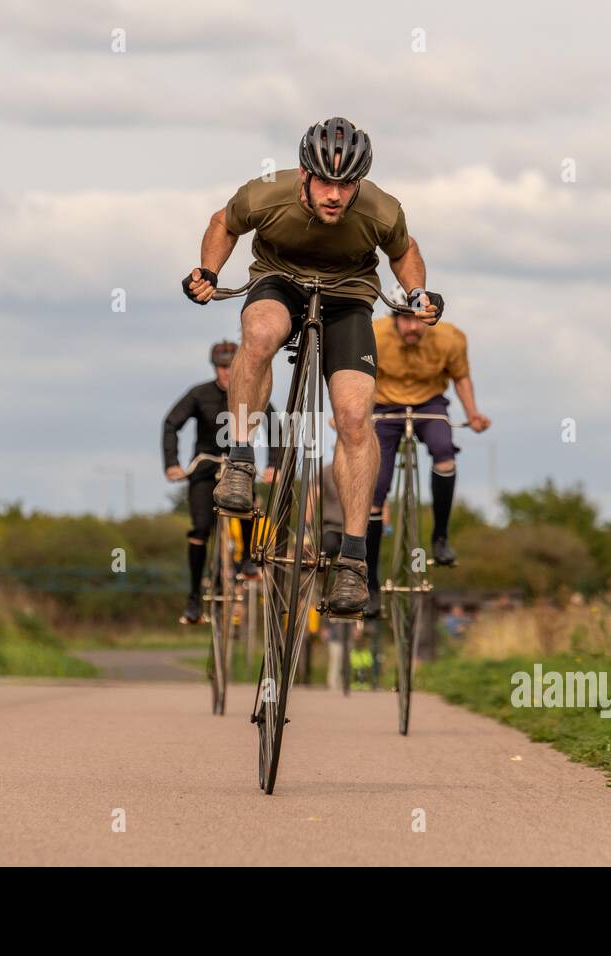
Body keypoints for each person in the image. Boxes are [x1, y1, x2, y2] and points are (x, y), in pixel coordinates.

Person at [182, 116, 445, 615]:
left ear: (359, 183)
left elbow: (404, 251)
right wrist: (208, 271)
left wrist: (416, 294)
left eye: (346, 185)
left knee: (352, 416)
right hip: (278, 280)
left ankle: (351, 561)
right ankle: (240, 460)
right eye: (324, 181)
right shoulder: (267, 194)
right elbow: (224, 223)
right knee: (259, 334)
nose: (334, 195)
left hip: (349, 297)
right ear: (304, 174)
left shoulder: (381, 209)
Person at [366, 310, 490, 613]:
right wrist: (352, 416)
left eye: (418, 320)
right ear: (394, 318)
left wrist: (472, 413)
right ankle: (368, 582)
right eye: (405, 319)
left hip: (429, 403)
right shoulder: (373, 334)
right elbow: (359, 377)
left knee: (444, 451)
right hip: (384, 405)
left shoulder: (449, 338)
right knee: (374, 489)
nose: (412, 326)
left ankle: (441, 536)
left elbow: (461, 377)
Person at [163, 340, 278, 625]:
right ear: (215, 368)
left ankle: (249, 560)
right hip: (204, 469)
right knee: (200, 529)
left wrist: (274, 464)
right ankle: (193, 599)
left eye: (232, 366)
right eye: (223, 367)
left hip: (239, 467)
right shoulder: (199, 394)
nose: (227, 373)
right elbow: (171, 423)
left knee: (247, 508)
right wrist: (172, 463)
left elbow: (274, 424)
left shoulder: (250, 393)